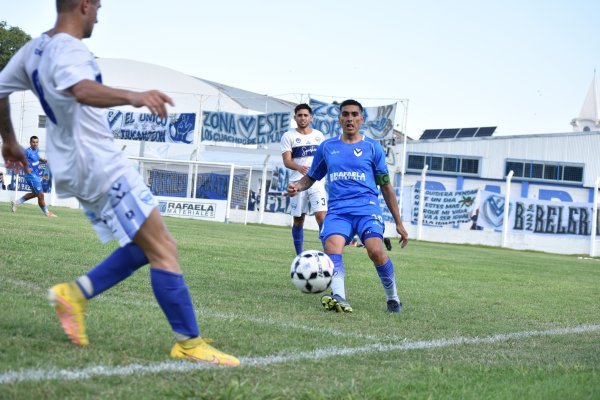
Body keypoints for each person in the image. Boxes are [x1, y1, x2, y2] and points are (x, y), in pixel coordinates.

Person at [0, 0, 239, 366]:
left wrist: (9, 141)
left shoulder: (34, 49)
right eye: (97, 5)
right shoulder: (69, 48)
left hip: (76, 165)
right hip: (97, 163)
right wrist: (134, 96)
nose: (98, 12)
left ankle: (74, 295)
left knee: (146, 246)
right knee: (164, 248)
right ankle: (189, 343)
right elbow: (81, 90)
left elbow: (1, 89)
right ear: (83, 5)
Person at [287, 99, 409, 313]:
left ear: (361, 119)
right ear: (339, 119)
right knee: (332, 247)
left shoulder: (373, 148)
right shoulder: (327, 147)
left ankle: (394, 299)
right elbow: (312, 177)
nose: (350, 118)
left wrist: (399, 223)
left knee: (376, 251)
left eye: (354, 114)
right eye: (346, 114)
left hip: (367, 210)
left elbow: (386, 187)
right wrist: (298, 185)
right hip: (338, 211)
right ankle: (339, 297)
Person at [280, 104, 327, 254]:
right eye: (299, 115)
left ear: (311, 117)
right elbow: (287, 161)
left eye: (306, 115)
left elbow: (325, 158)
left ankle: (329, 254)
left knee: (322, 217)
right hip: (297, 182)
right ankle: (299, 255)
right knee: (299, 220)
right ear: (295, 118)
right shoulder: (288, 136)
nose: (303, 118)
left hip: (316, 182)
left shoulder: (319, 136)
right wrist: (298, 167)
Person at [10, 135, 57, 217]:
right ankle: (47, 212)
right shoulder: (27, 151)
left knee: (35, 194)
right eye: (33, 142)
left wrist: (43, 160)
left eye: (36, 142)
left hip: (36, 175)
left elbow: (37, 157)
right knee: (41, 195)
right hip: (31, 176)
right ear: (30, 143)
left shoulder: (36, 150)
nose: (35, 144)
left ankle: (16, 202)